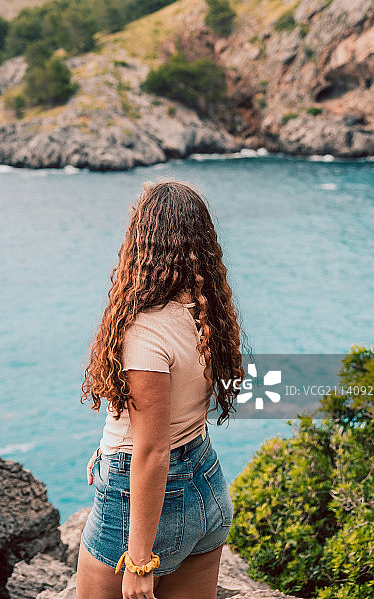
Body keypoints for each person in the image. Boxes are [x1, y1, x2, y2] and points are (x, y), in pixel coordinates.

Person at [78, 180, 244, 599]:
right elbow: (181, 411)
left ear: (141, 241)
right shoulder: (209, 316)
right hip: (207, 485)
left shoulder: (144, 329)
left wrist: (138, 562)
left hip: (145, 502)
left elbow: (153, 451)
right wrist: (111, 443)